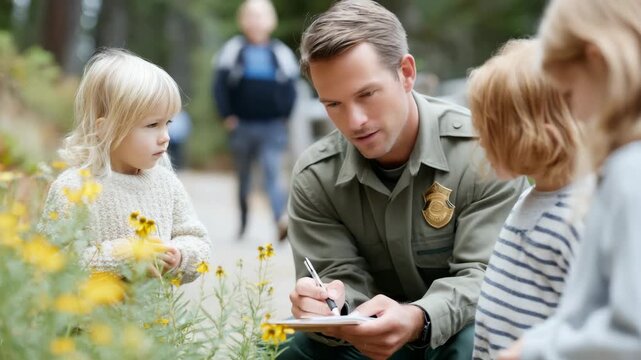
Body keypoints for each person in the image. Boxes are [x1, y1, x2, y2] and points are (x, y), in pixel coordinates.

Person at [282, 1, 529, 359]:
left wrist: (419, 318)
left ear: (406, 72)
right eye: (333, 104)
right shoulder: (316, 176)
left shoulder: (484, 152)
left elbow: (488, 276)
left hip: (456, 335)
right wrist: (328, 307)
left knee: (483, 338)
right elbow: (336, 277)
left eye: (367, 94)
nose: (355, 121)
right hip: (368, 343)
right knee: (285, 348)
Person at [498, 0, 641, 359]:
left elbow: (631, 332)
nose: (573, 112)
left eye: (568, 94)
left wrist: (531, 352)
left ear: (596, 60)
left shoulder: (629, 172)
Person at [40, 48, 210, 284]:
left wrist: (180, 256)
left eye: (167, 123)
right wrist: (124, 255)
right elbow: (53, 262)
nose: (165, 137)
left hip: (154, 318)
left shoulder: (166, 183)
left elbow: (196, 239)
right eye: (152, 125)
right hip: (92, 319)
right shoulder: (74, 188)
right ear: (106, 128)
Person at [467, 38, 588, 360]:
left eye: (491, 128)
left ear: (537, 131)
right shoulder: (532, 197)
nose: (479, 137)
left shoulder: (582, 218)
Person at [212, 0, 298, 240]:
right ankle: (243, 222)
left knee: (272, 172)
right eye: (251, 16)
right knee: (244, 177)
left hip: (272, 126)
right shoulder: (233, 50)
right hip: (242, 126)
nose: (256, 21)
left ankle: (279, 221)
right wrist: (226, 115)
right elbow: (219, 86)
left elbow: (292, 88)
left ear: (271, 21)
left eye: (261, 16)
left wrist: (285, 116)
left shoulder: (279, 52)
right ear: (242, 21)